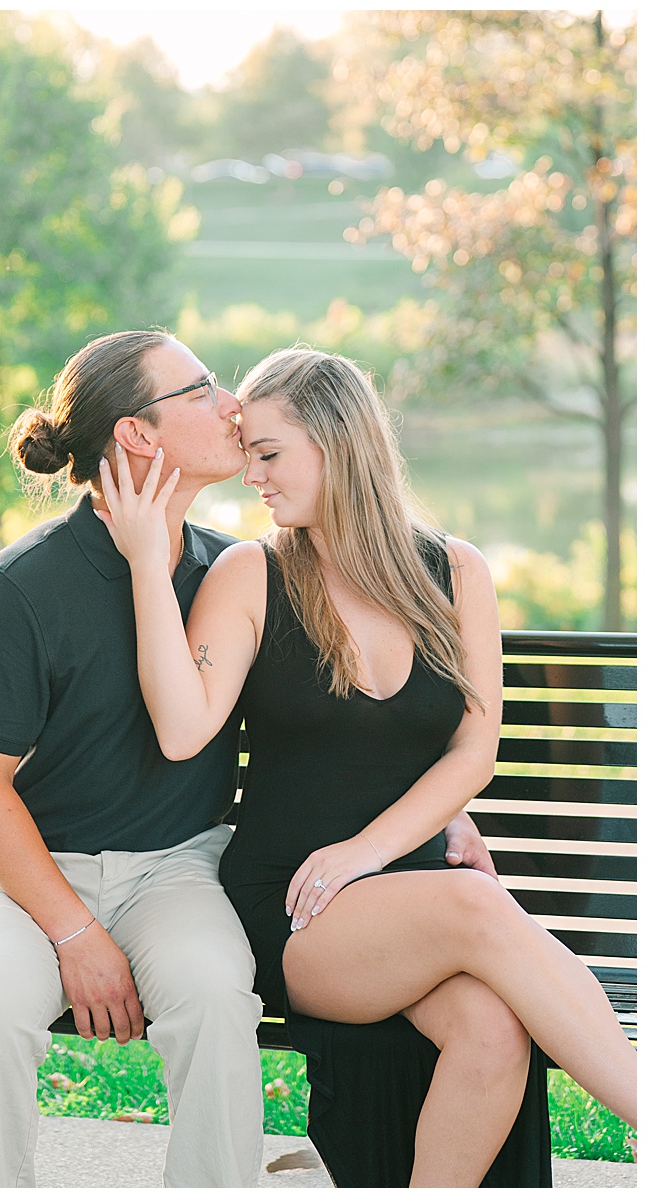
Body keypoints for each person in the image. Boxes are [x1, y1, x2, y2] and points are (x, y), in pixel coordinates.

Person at [0, 330, 499, 1187]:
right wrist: (73, 929)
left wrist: (440, 803)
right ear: (137, 435)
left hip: (178, 871)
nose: (231, 404)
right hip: (23, 879)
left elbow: (332, 717)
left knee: (214, 999)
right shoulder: (23, 587)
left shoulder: (225, 572)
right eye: (201, 391)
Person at [96, 345, 636, 1185]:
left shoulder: (456, 571)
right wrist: (143, 563)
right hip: (296, 906)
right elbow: (178, 728)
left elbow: (473, 750)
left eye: (269, 455)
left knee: (493, 1031)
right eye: (249, 458)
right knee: (474, 900)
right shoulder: (253, 573)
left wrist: (369, 851)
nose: (255, 480)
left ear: (339, 444)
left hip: (417, 900)